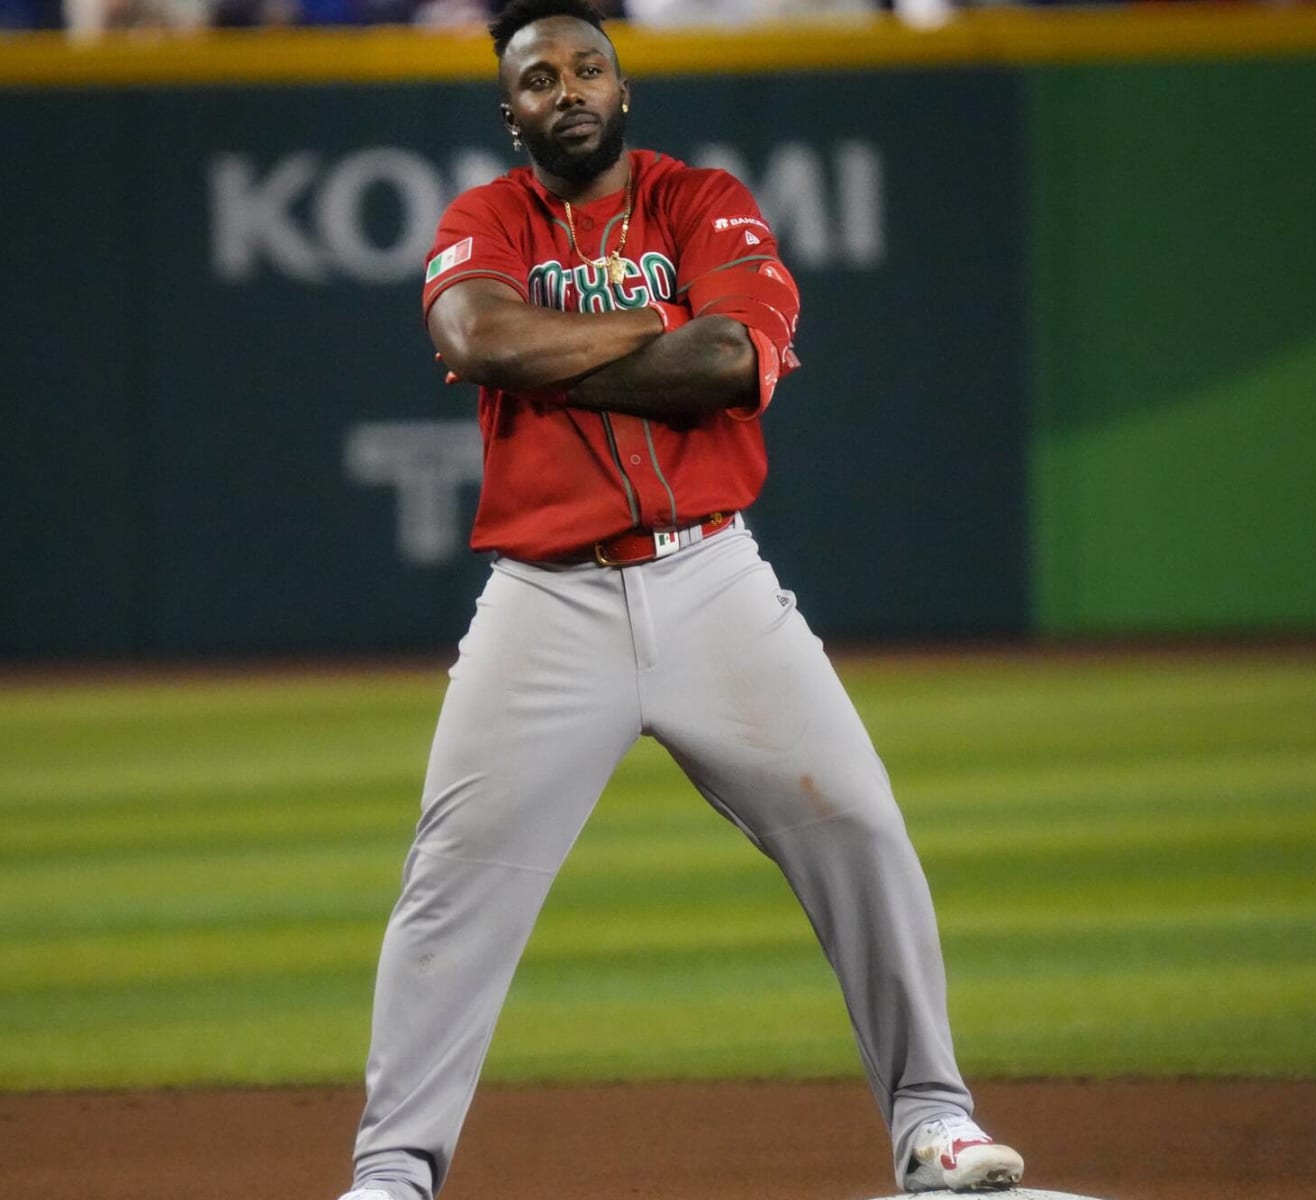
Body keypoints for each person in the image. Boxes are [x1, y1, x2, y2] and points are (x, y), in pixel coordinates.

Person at [331, 2, 1027, 1198]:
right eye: (539, 77)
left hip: (713, 579)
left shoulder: (700, 202)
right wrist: (660, 318)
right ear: (511, 112)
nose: (569, 88)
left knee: (857, 827)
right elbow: (477, 333)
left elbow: (730, 362)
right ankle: (392, 1173)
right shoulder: (482, 220)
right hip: (545, 604)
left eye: (587, 65)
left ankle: (933, 1121)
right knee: (454, 884)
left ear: (623, 86)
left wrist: (574, 342)